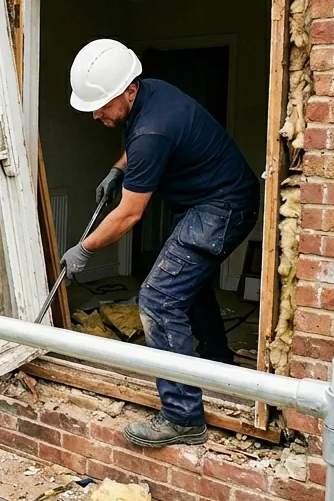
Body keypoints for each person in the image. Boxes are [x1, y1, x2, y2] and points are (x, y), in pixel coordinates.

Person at [59, 39, 260, 448]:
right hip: (217, 199)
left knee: (158, 298)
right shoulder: (152, 93)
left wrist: (84, 250)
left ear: (129, 90)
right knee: (187, 283)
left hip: (222, 207)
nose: (96, 114)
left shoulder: (153, 128)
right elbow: (139, 146)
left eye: (101, 104)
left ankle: (183, 417)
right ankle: (217, 361)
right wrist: (118, 169)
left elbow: (130, 216)